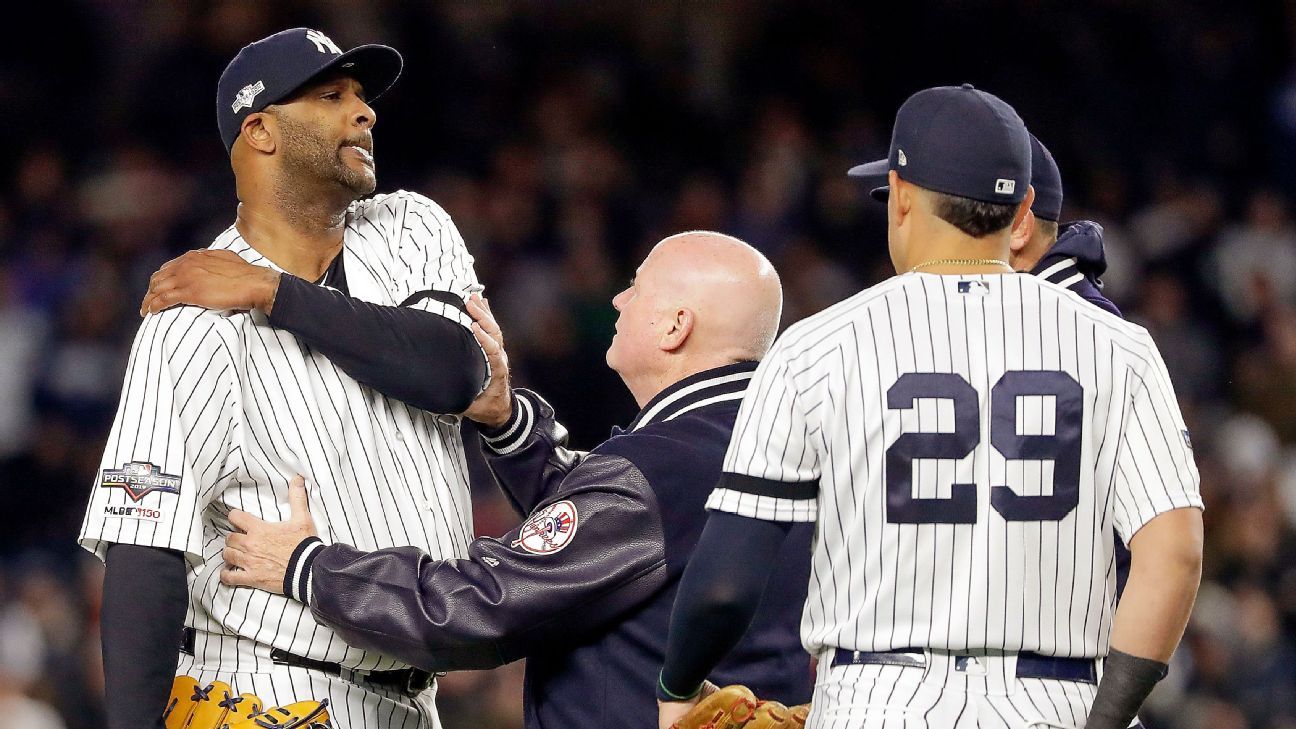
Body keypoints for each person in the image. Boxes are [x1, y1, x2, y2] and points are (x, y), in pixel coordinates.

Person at [657, 85, 1204, 729]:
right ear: (1023, 207)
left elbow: (726, 586)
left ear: (903, 196)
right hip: (1059, 697)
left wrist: (677, 688)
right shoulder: (1118, 345)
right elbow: (1175, 553)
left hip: (877, 699)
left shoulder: (816, 346)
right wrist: (1105, 719)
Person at [216, 231, 816, 728]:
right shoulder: (783, 448)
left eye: (637, 288)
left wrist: (309, 566)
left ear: (675, 325)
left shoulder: (656, 469)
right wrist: (505, 421)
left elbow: (479, 609)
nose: (617, 300)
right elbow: (610, 546)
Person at [78, 28, 489, 729]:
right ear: (261, 131)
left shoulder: (409, 225)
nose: (365, 113)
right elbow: (144, 547)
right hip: (262, 690)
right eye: (332, 96)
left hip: (414, 701)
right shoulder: (192, 314)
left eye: (362, 96)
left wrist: (272, 291)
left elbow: (454, 370)